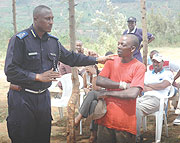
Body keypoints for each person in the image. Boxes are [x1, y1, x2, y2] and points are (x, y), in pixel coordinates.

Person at [4, 5, 111, 143]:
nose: (51, 22)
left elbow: (71, 58)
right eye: (47, 19)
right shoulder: (20, 40)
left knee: (42, 137)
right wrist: (37, 77)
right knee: (23, 137)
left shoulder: (53, 42)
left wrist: (96, 59)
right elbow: (10, 71)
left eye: (52, 19)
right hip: (22, 98)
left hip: (42, 98)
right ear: (35, 19)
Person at [95, 34, 146, 143]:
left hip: (124, 123)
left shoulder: (139, 67)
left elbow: (133, 93)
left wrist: (108, 93)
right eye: (118, 44)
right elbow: (99, 81)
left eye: (122, 45)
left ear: (132, 49)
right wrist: (122, 85)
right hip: (105, 119)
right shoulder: (112, 60)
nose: (118, 46)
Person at [136, 53, 174, 142]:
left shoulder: (168, 73)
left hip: (158, 100)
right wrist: (152, 87)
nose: (156, 64)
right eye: (154, 61)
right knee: (129, 107)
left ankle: (135, 138)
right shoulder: (148, 74)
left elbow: (163, 85)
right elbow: (142, 87)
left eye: (158, 62)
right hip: (144, 98)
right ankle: (129, 134)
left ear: (163, 63)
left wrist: (149, 86)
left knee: (136, 109)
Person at [148, 50, 180, 125]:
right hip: (155, 89)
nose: (155, 63)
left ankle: (162, 117)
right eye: (152, 59)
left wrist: (173, 79)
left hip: (169, 88)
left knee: (163, 93)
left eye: (157, 60)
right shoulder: (150, 68)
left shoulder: (168, 64)